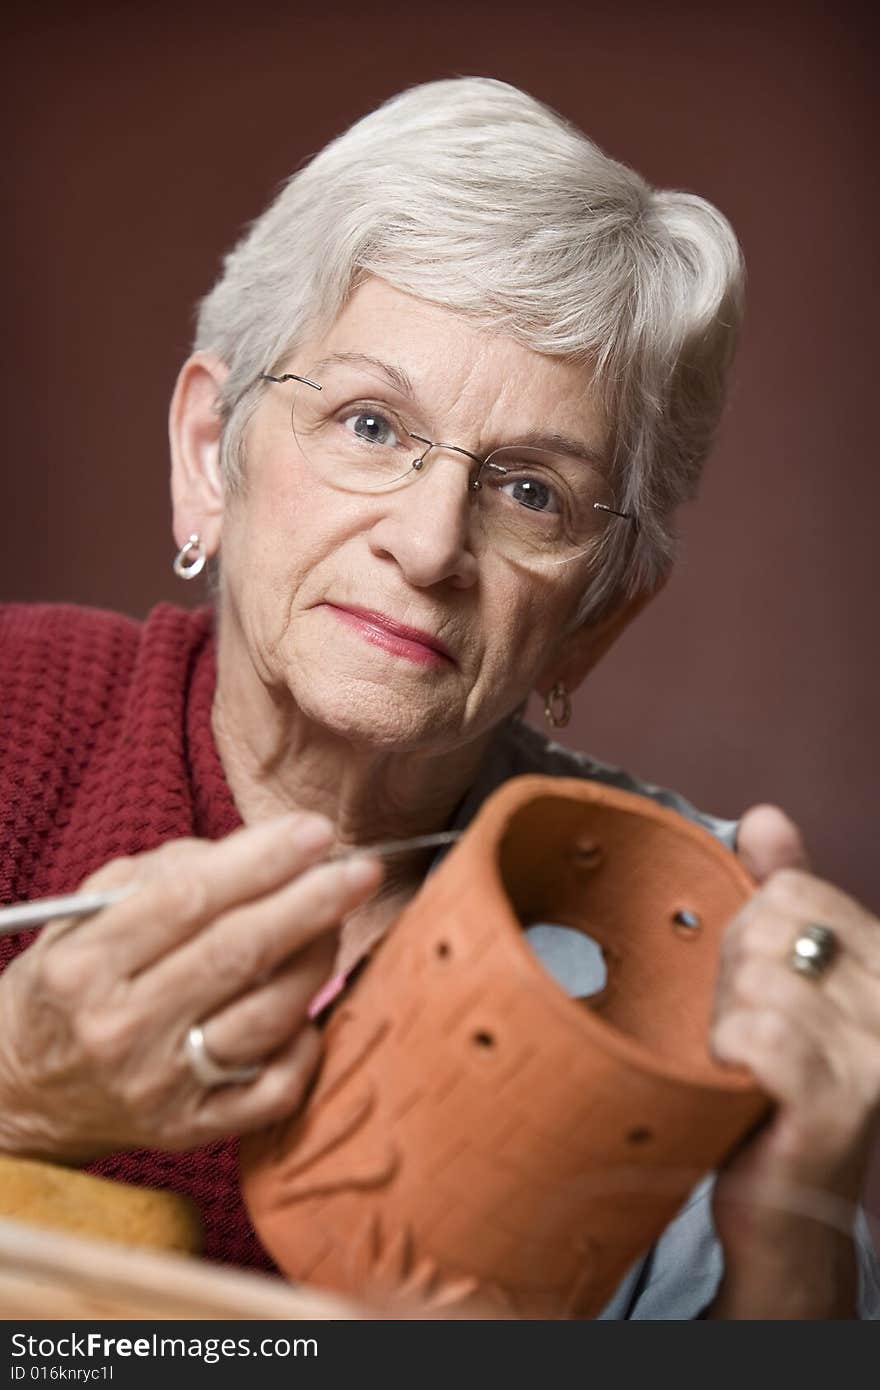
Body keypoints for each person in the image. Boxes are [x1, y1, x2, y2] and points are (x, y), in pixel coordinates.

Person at [0, 77, 877, 1319]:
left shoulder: (683, 952)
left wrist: (792, 1234)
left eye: (531, 492)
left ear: (599, 614)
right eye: (369, 423)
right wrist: (18, 1088)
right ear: (212, 451)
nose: (427, 544)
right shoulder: (12, 706)